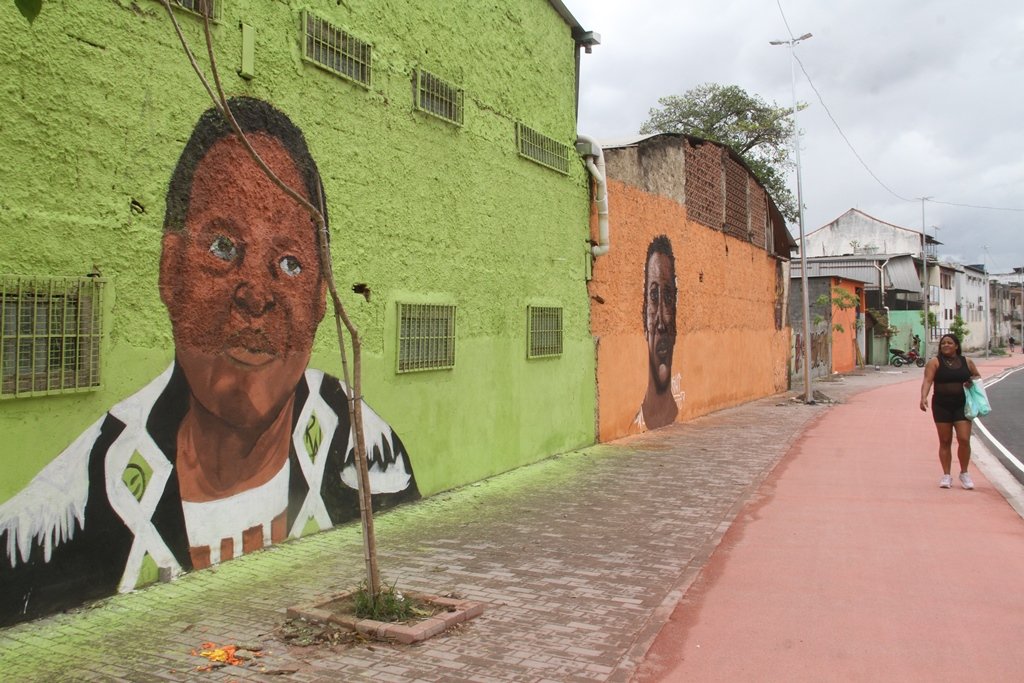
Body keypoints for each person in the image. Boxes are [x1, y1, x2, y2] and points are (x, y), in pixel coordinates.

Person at [0, 98, 418, 626]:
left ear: (319, 297)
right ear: (170, 270)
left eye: (290, 263)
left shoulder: (367, 456)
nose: (256, 295)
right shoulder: (58, 521)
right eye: (222, 248)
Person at [919, 333, 981, 489]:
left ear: (956, 346)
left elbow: (977, 376)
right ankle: (946, 475)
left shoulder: (967, 361)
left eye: (949, 343)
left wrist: (971, 382)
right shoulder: (935, 362)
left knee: (964, 439)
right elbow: (927, 380)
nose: (946, 345)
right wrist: (923, 397)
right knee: (945, 441)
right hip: (941, 405)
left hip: (962, 405)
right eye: (943, 343)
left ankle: (964, 473)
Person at [634, 235, 679, 430]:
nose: (661, 323)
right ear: (644, 317)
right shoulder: (634, 423)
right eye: (653, 296)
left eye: (668, 298)